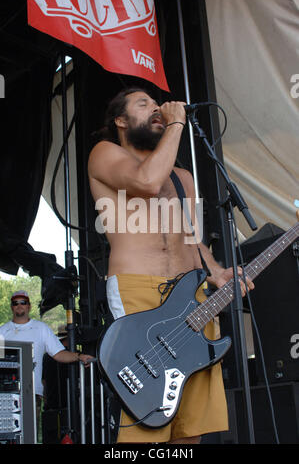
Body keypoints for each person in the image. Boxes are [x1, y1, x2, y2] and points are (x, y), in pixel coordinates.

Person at [88, 87, 254, 444]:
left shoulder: (182, 177)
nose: (155, 109)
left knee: (189, 419)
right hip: (137, 289)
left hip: (190, 293)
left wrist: (216, 272)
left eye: (156, 105)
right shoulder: (105, 153)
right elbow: (147, 182)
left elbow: (193, 237)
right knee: (147, 417)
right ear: (121, 120)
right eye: (143, 104)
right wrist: (176, 122)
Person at [0, 290, 93, 429]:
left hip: (31, 392)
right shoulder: (3, 331)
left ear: (29, 306)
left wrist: (78, 356)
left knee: (29, 433)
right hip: (4, 392)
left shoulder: (41, 328)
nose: (19, 306)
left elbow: (58, 353)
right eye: (15, 303)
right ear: (12, 307)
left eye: (23, 302)